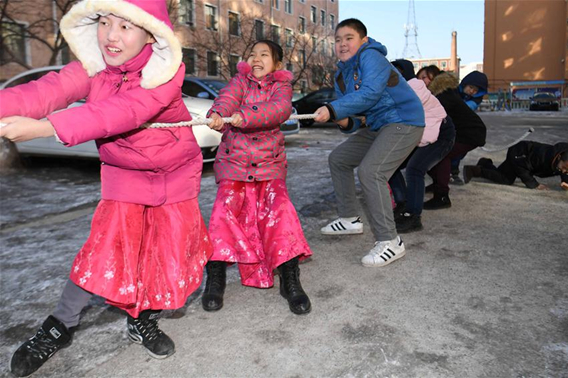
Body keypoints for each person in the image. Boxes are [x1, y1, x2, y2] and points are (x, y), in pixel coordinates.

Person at [0, 1, 212, 376]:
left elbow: (116, 113)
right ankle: (60, 326)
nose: (111, 36)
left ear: (150, 33)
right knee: (102, 253)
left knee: (161, 255)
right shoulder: (93, 66)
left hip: (174, 176)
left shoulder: (164, 75)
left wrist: (45, 128)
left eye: (126, 27)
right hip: (125, 175)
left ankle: (142, 318)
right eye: (104, 22)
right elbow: (45, 91)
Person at [201, 40, 313, 315]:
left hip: (268, 165)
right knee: (222, 213)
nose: (256, 59)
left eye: (264, 54)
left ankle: (290, 278)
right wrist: (218, 113)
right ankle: (215, 278)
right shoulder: (240, 81)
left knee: (280, 212)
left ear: (277, 65)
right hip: (235, 162)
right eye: (252, 54)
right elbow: (226, 98)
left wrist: (244, 116)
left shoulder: (282, 87)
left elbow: (279, 109)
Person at [314, 19, 425, 268]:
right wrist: (342, 120)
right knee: (339, 159)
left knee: (371, 172)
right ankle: (350, 218)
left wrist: (332, 108)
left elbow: (370, 94)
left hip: (404, 121)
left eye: (349, 38)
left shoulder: (371, 56)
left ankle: (390, 241)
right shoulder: (341, 76)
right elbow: (354, 119)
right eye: (338, 40)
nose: (343, 44)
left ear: (363, 40)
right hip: (378, 126)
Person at [388, 59, 455, 233]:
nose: (392, 76)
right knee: (389, 165)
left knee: (415, 169)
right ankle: (403, 204)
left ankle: (413, 216)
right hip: (420, 135)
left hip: (440, 134)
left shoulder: (414, 89)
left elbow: (426, 133)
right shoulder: (395, 90)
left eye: (397, 73)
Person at [416, 65, 487, 210]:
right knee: (430, 154)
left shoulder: (444, 94)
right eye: (419, 77)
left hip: (470, 133)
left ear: (434, 78)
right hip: (463, 132)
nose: (420, 81)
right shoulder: (444, 92)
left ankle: (442, 196)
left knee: (442, 155)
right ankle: (438, 185)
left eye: (424, 77)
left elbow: (429, 116)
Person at [463, 141, 568, 190]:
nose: (565, 171)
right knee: (506, 179)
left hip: (523, 157)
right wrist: (533, 184)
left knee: (500, 173)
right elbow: (522, 168)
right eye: (565, 167)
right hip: (519, 154)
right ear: (559, 157)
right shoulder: (542, 156)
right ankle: (475, 171)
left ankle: (485, 163)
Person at [449, 70, 489, 184]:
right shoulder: (453, 92)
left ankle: (453, 171)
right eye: (471, 87)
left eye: (476, 90)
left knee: (458, 151)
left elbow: (465, 109)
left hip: (462, 128)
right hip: (448, 124)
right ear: (464, 84)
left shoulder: (474, 100)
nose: (472, 91)